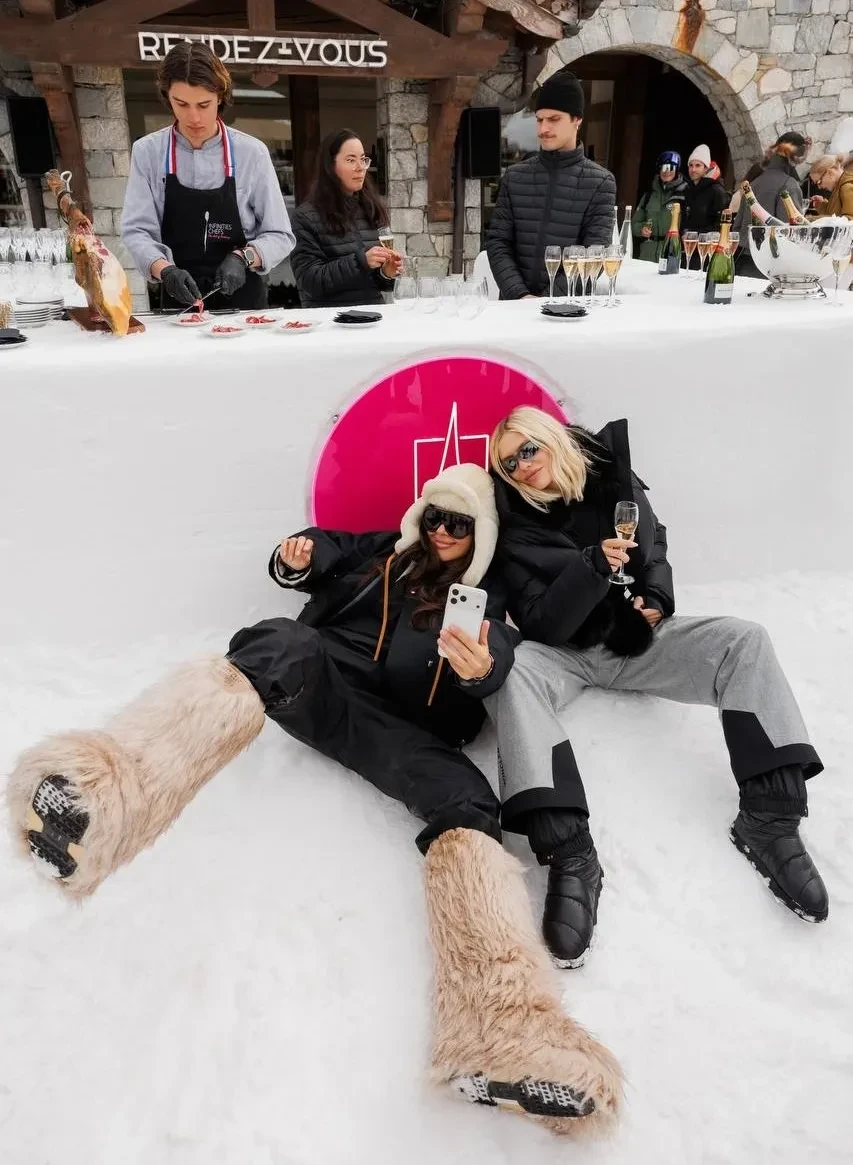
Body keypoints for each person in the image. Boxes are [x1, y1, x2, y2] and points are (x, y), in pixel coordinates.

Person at [7, 462, 621, 1135]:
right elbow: (321, 549)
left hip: (403, 732)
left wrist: (482, 669)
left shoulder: (486, 594)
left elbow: (500, 649)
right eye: (435, 516)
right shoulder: (382, 552)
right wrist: (296, 557)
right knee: (277, 639)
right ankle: (104, 801)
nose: (444, 531)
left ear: (482, 534)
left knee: (470, 801)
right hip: (318, 679)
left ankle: (502, 1031)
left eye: (461, 522)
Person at [485, 407, 828, 970]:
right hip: (565, 653)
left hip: (635, 640)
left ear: (552, 440)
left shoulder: (614, 483)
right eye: (507, 464)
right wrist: (591, 568)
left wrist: (657, 600)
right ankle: (570, 854)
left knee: (743, 640)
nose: (520, 467)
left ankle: (770, 818)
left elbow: (655, 546)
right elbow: (542, 623)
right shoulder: (516, 526)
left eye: (527, 450)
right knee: (515, 673)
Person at [121, 41, 294, 311]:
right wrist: (164, 269)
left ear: (221, 96)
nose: (194, 117)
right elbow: (137, 231)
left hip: (244, 305)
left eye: (204, 104)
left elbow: (280, 234)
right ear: (167, 97)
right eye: (181, 104)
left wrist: (244, 257)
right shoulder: (148, 153)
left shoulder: (252, 153)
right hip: (179, 304)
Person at [485, 67, 616, 300]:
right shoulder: (515, 177)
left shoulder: (600, 182)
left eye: (554, 119)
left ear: (577, 120)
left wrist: (549, 300)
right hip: (514, 307)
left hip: (565, 309)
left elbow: (594, 254)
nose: (543, 129)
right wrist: (520, 295)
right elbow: (498, 242)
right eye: (539, 120)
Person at [289, 128, 403, 308]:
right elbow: (309, 282)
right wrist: (361, 261)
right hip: (331, 319)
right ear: (330, 166)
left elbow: (378, 284)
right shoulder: (305, 217)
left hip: (372, 316)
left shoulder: (371, 208)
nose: (360, 167)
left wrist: (386, 273)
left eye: (363, 159)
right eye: (351, 160)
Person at [733, 132, 809, 275]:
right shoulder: (789, 185)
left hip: (744, 263)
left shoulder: (754, 182)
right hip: (772, 267)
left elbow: (737, 227)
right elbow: (792, 234)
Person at [633, 151, 688, 263]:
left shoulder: (685, 194)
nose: (666, 171)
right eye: (663, 168)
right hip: (647, 254)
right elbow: (633, 224)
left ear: (677, 170)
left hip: (671, 252)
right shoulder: (649, 195)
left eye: (670, 168)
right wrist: (641, 229)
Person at [682, 144, 728, 234]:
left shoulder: (717, 191)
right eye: (691, 165)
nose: (693, 169)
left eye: (698, 165)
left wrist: (694, 234)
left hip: (706, 242)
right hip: (686, 241)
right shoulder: (687, 190)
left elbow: (721, 226)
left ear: (706, 168)